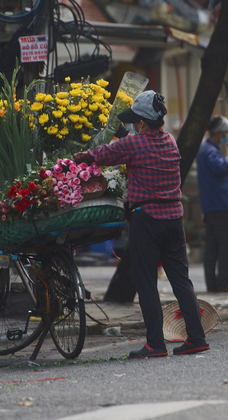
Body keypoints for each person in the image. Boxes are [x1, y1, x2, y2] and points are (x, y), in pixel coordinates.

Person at [74, 90, 208, 359]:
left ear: (143, 123)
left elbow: (102, 154)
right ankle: (196, 337)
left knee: (146, 282)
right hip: (174, 219)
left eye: (136, 121)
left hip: (147, 221)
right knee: (181, 281)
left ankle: (155, 344)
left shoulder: (134, 146)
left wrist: (78, 157)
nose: (134, 125)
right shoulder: (170, 141)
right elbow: (140, 145)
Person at [195, 116, 228, 293]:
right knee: (227, 244)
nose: (226, 136)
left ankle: (212, 284)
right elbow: (219, 168)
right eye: (226, 133)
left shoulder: (209, 148)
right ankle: (224, 282)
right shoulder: (210, 151)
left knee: (212, 246)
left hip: (212, 205)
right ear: (218, 133)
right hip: (218, 205)